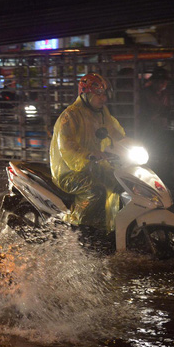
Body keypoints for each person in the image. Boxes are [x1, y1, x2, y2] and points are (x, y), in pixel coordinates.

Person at [50, 73, 125, 232]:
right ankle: (80, 232)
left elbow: (115, 133)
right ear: (86, 94)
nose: (103, 98)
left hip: (95, 166)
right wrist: (87, 155)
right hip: (70, 171)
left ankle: (110, 230)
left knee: (120, 183)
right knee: (95, 191)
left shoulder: (102, 113)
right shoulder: (70, 115)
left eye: (105, 94)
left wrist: (128, 145)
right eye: (99, 94)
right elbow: (66, 145)